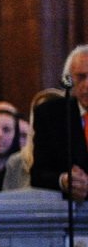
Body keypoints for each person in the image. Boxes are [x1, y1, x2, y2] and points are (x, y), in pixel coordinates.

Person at [30, 46, 88, 199]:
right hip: (65, 213)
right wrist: (64, 180)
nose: (87, 85)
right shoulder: (50, 115)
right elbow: (38, 174)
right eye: (81, 77)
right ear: (68, 80)